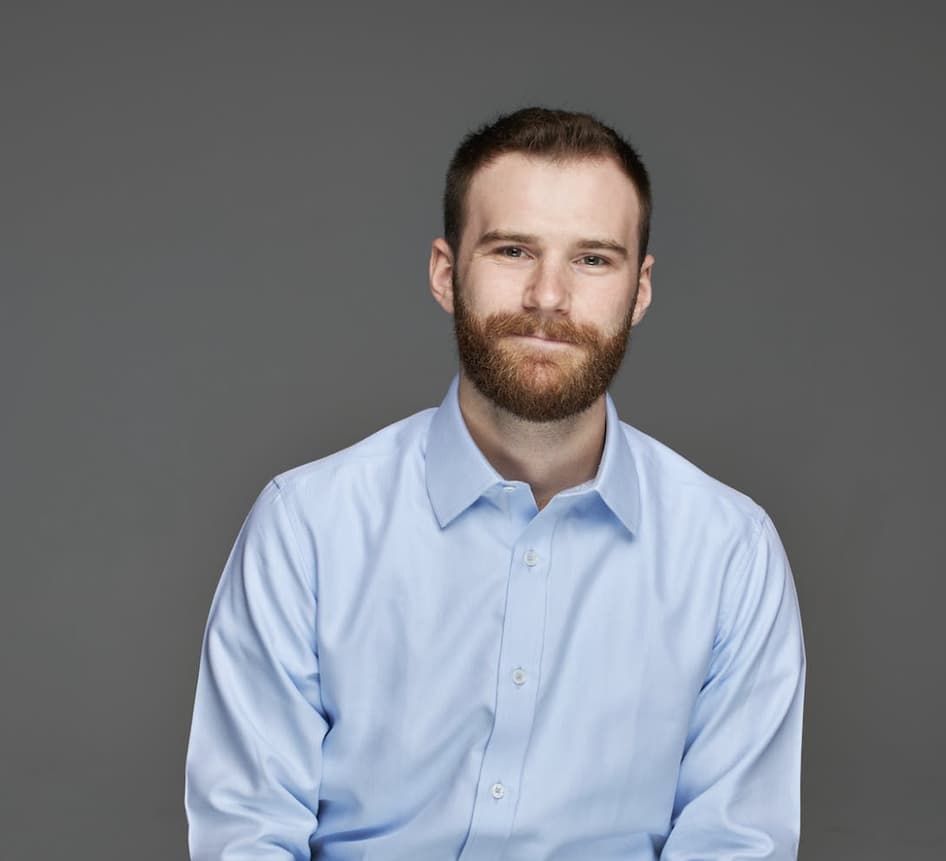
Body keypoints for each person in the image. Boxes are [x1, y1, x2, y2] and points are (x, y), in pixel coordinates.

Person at [184, 106, 806, 860]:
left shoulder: (730, 553)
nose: (549, 296)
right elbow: (246, 837)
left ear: (639, 291)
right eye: (514, 249)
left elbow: (732, 847)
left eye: (593, 259)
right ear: (447, 274)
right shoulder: (306, 526)